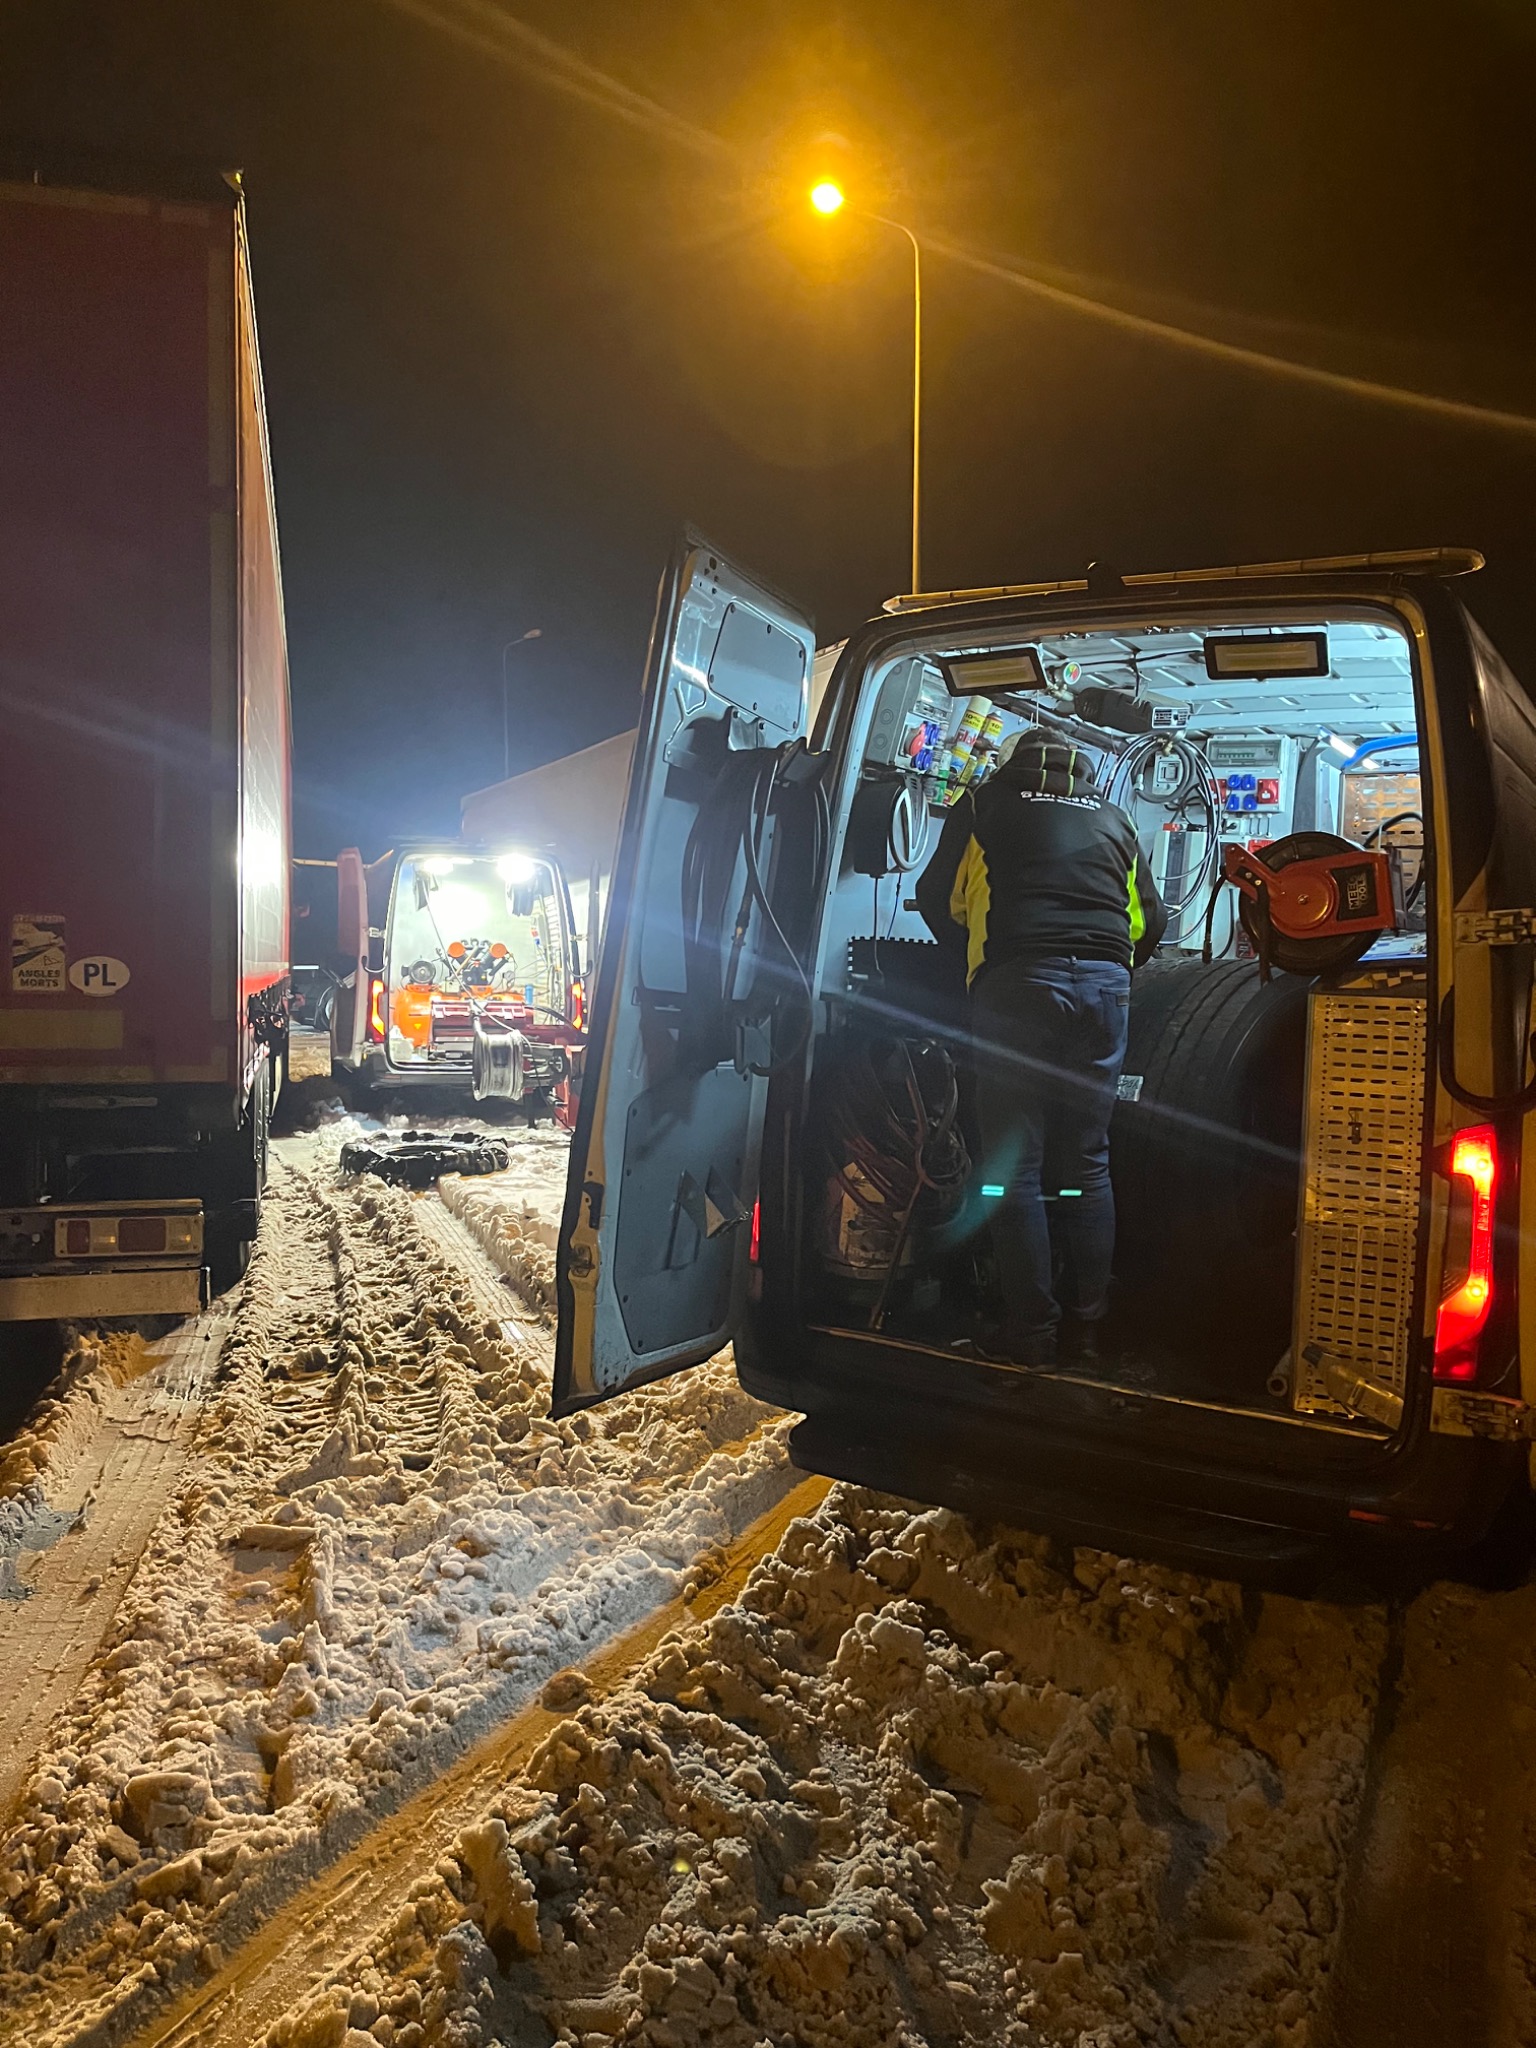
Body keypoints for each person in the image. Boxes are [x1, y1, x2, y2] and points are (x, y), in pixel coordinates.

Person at [915, 728, 1167, 1366]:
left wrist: (981, 968)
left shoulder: (982, 806)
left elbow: (933, 898)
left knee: (1013, 1174)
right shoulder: (1115, 819)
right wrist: (1104, 969)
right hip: (1105, 993)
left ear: (1013, 765)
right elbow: (1152, 923)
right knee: (1085, 1166)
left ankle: (1030, 1333)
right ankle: (1087, 1328)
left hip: (1020, 989)